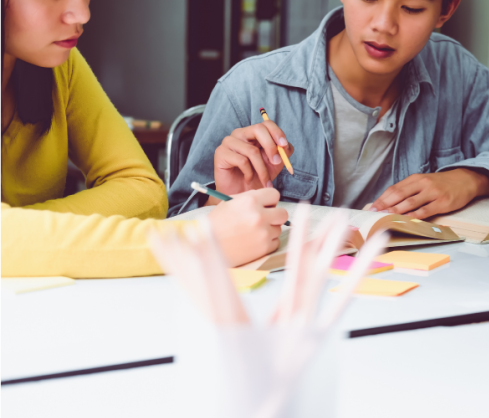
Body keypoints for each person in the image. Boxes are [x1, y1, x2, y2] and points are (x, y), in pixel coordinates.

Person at [168, 0, 489, 219]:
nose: (383, 24)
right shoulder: (251, 87)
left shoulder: (457, 73)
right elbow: (176, 221)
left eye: (411, 8)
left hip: (413, 296)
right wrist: (223, 203)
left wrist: (469, 180)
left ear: (445, 12)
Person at [1, 0, 287, 278]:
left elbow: (144, 192)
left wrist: (26, 234)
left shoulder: (60, 68)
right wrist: (194, 243)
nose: (82, 13)